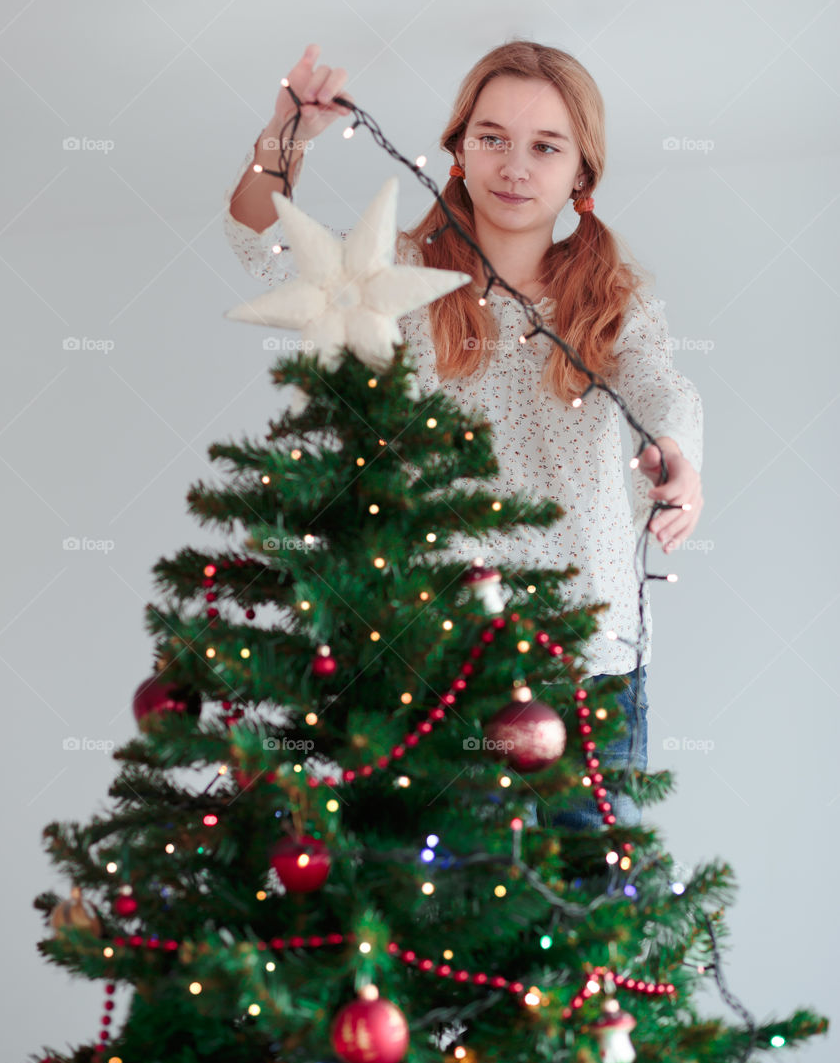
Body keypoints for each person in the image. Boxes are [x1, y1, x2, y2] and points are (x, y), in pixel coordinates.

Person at [222, 41, 704, 831]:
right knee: (430, 916)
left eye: (545, 147)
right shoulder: (397, 279)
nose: (514, 166)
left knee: (583, 917)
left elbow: (661, 388)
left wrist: (678, 457)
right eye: (492, 138)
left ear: (580, 174)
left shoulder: (615, 302)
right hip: (429, 658)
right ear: (456, 150)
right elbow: (261, 248)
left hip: (583, 662)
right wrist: (287, 134)